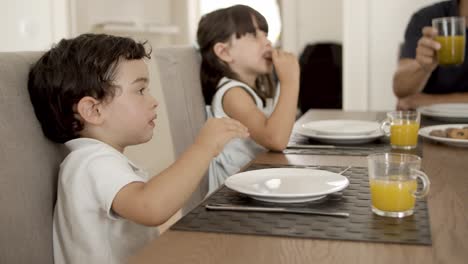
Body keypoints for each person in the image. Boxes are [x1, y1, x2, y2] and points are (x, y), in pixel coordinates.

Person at [27, 33, 249, 264]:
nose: (154, 101)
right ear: (93, 110)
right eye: (140, 90)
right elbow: (150, 206)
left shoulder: (96, 159)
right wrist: (204, 147)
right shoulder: (91, 162)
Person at [197, 5, 300, 192]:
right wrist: (290, 82)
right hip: (234, 197)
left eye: (265, 35)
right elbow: (275, 139)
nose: (268, 42)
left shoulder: (251, 89)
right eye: (254, 36)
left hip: (255, 185)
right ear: (224, 52)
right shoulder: (232, 93)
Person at [393, 0, 468, 110]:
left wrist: (430, 101)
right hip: (429, 123)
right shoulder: (427, 17)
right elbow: (401, 90)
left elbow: (410, 101)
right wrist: (423, 66)